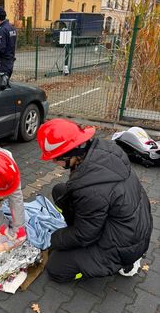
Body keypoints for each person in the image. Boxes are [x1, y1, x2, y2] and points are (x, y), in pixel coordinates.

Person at [37, 118, 153, 282]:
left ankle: (126, 264)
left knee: (56, 268)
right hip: (132, 224)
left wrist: (53, 238)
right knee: (61, 192)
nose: (54, 162)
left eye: (55, 158)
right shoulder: (106, 149)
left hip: (124, 244)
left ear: (71, 154)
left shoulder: (90, 189)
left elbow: (85, 235)